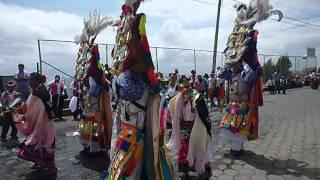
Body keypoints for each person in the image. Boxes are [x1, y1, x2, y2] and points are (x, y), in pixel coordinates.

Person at [14, 72, 57, 175]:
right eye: (29, 79)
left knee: (45, 146)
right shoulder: (34, 91)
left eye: (31, 79)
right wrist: (20, 112)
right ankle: (38, 163)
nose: (29, 81)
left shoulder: (42, 91)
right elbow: (30, 106)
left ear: (37, 81)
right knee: (35, 145)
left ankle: (51, 168)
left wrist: (49, 115)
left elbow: (46, 106)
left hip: (44, 124)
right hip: (37, 123)